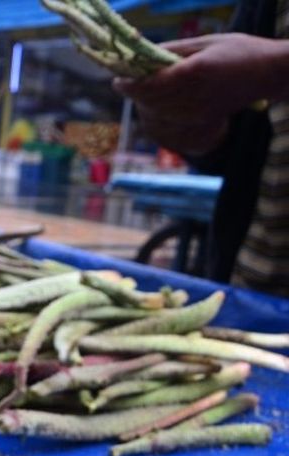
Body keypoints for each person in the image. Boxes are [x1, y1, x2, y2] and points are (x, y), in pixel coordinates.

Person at [115, 1, 289, 293]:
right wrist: (191, 127)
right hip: (256, 282)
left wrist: (277, 70)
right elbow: (238, 141)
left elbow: (262, 72)